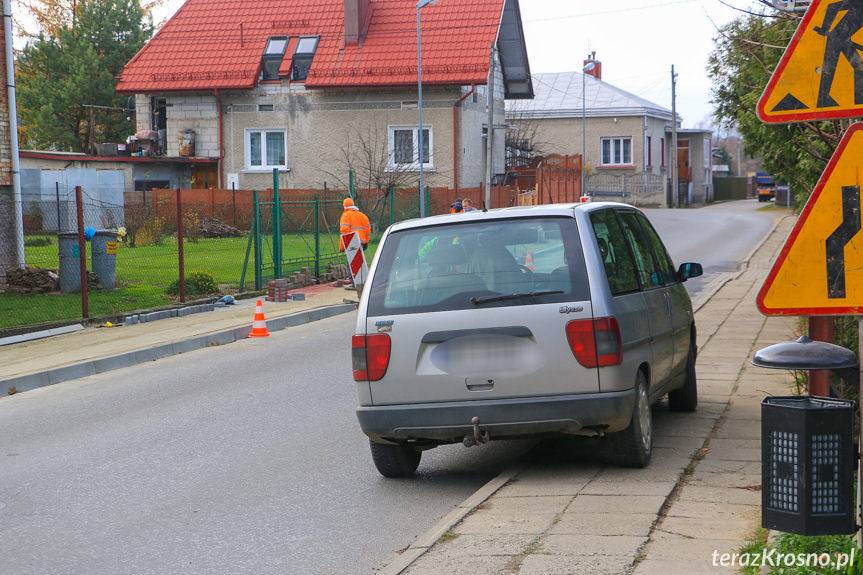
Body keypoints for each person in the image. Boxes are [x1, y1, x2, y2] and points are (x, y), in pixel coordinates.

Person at [814, 0, 863, 108]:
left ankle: (859, 100)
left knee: (860, 67)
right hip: (835, 39)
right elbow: (832, 6)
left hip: (846, 41)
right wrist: (825, 28)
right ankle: (822, 103)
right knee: (828, 71)